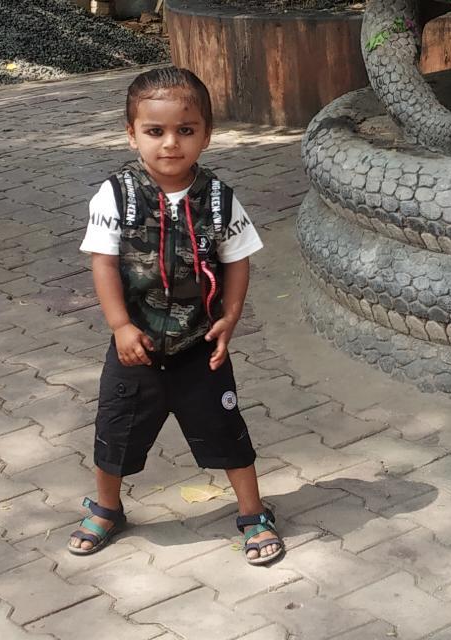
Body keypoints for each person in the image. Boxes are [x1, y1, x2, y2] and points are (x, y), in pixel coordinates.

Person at [68, 67, 283, 566]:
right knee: (114, 432)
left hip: (201, 349)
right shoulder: (116, 195)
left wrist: (230, 318)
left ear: (206, 135)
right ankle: (106, 508)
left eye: (185, 130)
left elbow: (238, 260)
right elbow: (103, 262)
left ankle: (253, 513)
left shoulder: (220, 199)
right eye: (155, 131)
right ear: (132, 134)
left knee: (228, 431)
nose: (170, 143)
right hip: (135, 350)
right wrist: (120, 326)